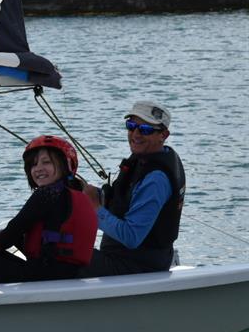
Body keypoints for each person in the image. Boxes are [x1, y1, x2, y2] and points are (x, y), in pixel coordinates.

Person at [78, 101, 186, 277]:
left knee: (59, 256)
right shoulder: (144, 158)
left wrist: (95, 208)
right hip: (126, 258)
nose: (135, 134)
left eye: (145, 129)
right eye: (131, 126)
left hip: (137, 266)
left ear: (163, 135)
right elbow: (122, 201)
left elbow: (131, 237)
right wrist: (89, 194)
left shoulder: (156, 180)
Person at [0, 135, 98, 282]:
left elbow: (9, 235)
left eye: (47, 162)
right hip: (70, 275)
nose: (38, 169)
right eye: (33, 164)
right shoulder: (79, 195)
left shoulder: (47, 194)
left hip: (42, 275)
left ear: (66, 165)